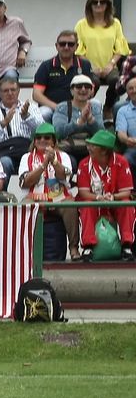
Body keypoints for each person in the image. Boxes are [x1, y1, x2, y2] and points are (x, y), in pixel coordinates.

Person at [18, 125, 80, 259]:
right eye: (38, 138)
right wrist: (43, 165)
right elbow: (26, 181)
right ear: (34, 141)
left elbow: (64, 177)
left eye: (47, 137)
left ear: (53, 141)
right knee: (24, 207)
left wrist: (54, 162)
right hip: (35, 197)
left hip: (58, 197)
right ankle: (23, 250)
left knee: (71, 205)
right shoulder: (26, 157)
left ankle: (74, 247)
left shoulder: (63, 156)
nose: (42, 140)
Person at [76, 129, 134, 260]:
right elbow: (84, 193)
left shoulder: (121, 162)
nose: (89, 147)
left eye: (93, 145)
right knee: (86, 205)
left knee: (126, 203)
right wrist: (98, 198)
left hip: (114, 202)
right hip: (94, 201)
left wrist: (113, 197)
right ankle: (88, 247)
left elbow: (126, 192)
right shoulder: (84, 163)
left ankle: (127, 246)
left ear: (104, 150)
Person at [0, 76, 44, 173]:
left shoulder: (31, 108)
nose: (10, 93)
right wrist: (2, 123)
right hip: (2, 152)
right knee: (4, 162)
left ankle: (36, 188)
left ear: (18, 91)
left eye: (13, 90)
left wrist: (27, 117)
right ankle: (1, 188)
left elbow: (41, 129)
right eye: (5, 91)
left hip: (25, 151)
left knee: (36, 161)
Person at [75, 0, 130, 102]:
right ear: (90, 5)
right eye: (95, 2)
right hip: (89, 67)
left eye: (102, 2)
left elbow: (120, 49)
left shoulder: (115, 23)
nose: (98, 4)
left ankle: (108, 107)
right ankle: (85, 108)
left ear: (107, 5)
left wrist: (111, 65)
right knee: (92, 83)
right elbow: (78, 51)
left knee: (116, 81)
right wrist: (91, 67)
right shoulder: (81, 24)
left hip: (110, 67)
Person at [33, 30, 96, 110]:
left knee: (96, 104)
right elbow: (36, 94)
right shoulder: (46, 66)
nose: (66, 47)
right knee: (44, 112)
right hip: (52, 108)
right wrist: (58, 108)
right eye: (62, 44)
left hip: (78, 107)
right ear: (56, 46)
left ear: (77, 46)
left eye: (70, 44)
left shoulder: (85, 65)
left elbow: (91, 91)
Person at [53, 75, 105, 160]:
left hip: (91, 150)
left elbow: (101, 133)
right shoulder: (62, 107)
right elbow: (58, 132)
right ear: (72, 91)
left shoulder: (95, 107)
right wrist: (79, 122)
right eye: (79, 86)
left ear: (91, 91)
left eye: (87, 86)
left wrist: (91, 120)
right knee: (71, 162)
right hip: (68, 149)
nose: (83, 89)